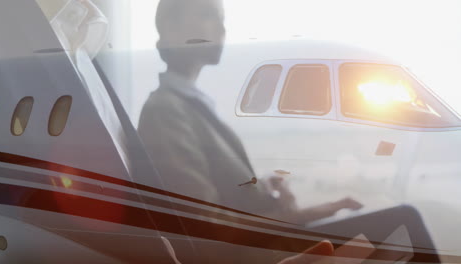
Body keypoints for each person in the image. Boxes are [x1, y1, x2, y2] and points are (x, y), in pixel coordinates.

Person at [138, 0, 441, 263]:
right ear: (170, 28)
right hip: (253, 254)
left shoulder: (191, 107)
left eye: (222, 18)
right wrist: (304, 215)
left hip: (261, 243)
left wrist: (265, 193)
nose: (221, 27)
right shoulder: (167, 111)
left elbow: (224, 201)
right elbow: (204, 227)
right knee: (403, 221)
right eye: (207, 14)